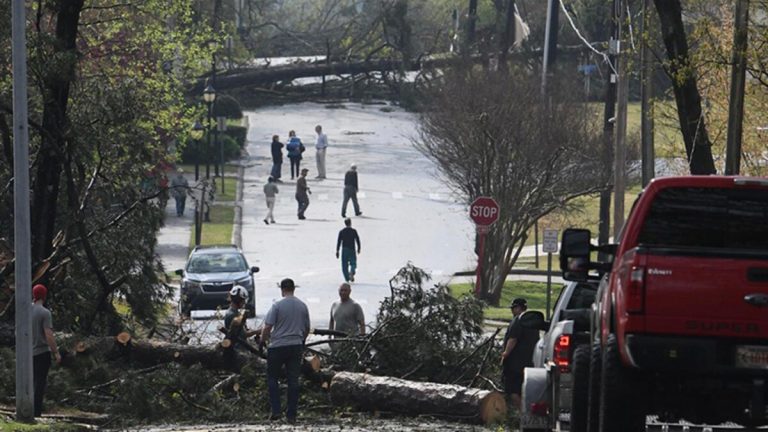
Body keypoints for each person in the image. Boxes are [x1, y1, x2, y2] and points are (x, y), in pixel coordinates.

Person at [261, 278, 310, 423]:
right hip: (295, 345)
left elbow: (268, 326)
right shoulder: (302, 306)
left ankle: (276, 411)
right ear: (294, 288)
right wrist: (301, 341)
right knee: (293, 380)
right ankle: (291, 414)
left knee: (272, 378)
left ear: (282, 289)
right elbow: (307, 328)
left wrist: (263, 341)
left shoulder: (277, 305)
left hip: (278, 346)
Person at [500, 298, 539, 409]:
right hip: (529, 362)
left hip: (515, 364)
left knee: (512, 390)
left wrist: (505, 354)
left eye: (513, 308)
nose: (512, 311)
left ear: (518, 308)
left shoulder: (518, 320)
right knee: (524, 390)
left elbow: (513, 339)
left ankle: (522, 413)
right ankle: (526, 411)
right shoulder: (532, 321)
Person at [31, 284, 61, 417]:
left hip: (28, 353)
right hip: (42, 352)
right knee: (40, 382)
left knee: (30, 382)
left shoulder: (26, 311)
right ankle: (36, 412)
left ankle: (27, 407)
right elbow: (48, 334)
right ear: (44, 295)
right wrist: (56, 352)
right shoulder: (45, 313)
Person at [335, 218, 361, 283]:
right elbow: (357, 240)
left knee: (344, 265)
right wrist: (359, 248)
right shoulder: (354, 231)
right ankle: (352, 271)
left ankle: (347, 278)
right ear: (350, 223)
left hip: (344, 249)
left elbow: (339, 241)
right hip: (352, 249)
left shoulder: (342, 232)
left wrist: (337, 250)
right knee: (353, 263)